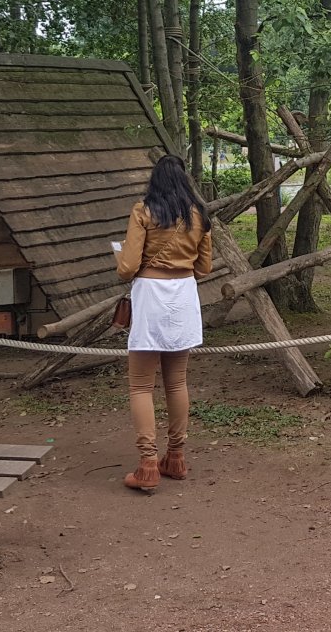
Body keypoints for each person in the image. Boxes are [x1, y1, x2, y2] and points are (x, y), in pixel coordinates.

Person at [115, 154, 214, 493]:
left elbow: (127, 267)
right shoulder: (199, 215)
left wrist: (122, 259)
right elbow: (204, 269)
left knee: (141, 386)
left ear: (154, 180)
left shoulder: (143, 211)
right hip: (184, 296)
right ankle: (176, 457)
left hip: (151, 297)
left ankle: (147, 464)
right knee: (177, 382)